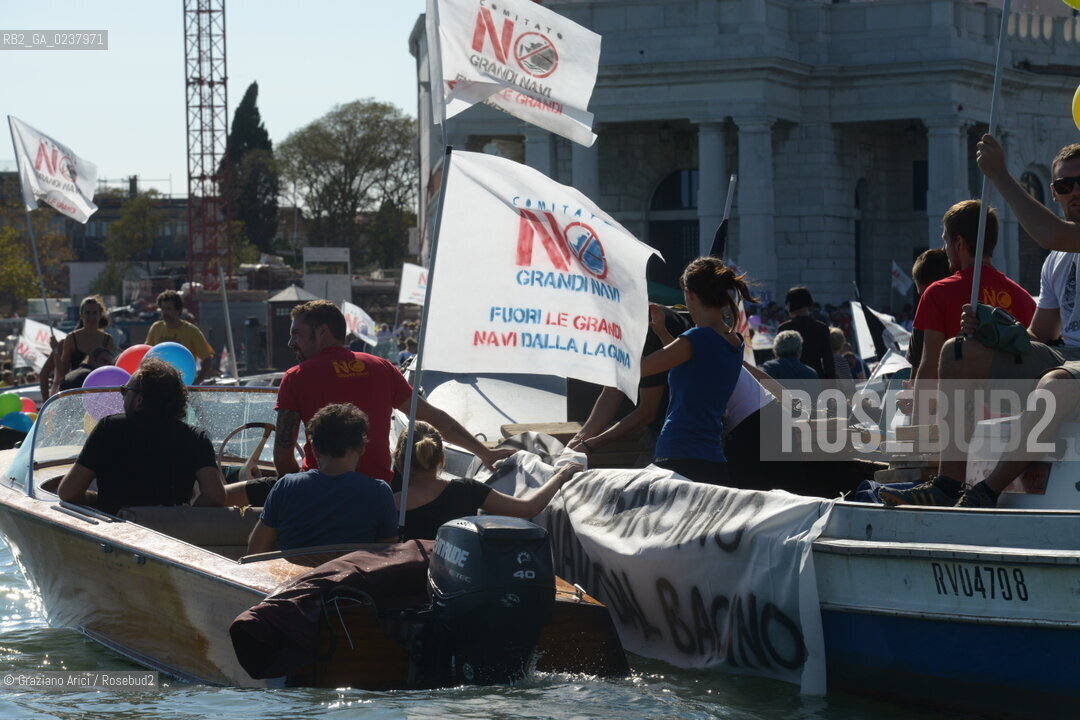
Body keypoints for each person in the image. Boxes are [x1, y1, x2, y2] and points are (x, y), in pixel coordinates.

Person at [883, 139, 1080, 507]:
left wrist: (1000, 175)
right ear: (1054, 192)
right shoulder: (1056, 261)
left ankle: (986, 491)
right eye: (1065, 186)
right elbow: (1041, 335)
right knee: (957, 351)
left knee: (1056, 383)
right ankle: (947, 482)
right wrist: (997, 330)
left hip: (1069, 371)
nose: (1075, 192)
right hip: (1067, 357)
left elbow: (1052, 233)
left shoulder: (1059, 240)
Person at [227, 300, 512, 506]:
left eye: (296, 334)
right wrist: (482, 452)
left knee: (215, 498)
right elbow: (431, 417)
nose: (291, 342)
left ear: (323, 332)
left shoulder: (295, 377)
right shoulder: (382, 367)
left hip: (317, 487)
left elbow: (282, 458)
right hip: (377, 492)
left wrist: (298, 497)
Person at [908, 201, 1035, 424]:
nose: (945, 248)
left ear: (959, 243)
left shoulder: (937, 293)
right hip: (1017, 423)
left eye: (946, 239)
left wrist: (918, 432)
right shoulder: (1024, 299)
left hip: (958, 423)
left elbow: (929, 369)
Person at [56, 358, 227, 514]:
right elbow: (215, 497)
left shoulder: (109, 428)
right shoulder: (196, 438)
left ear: (139, 400)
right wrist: (184, 516)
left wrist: (97, 500)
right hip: (171, 539)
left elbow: (68, 492)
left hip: (116, 535)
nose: (122, 396)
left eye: (125, 391)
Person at [640, 257, 752, 485]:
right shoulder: (735, 341)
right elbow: (691, 361)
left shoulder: (697, 339)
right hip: (713, 459)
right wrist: (662, 333)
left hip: (679, 454)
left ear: (690, 294)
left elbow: (640, 369)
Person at [246, 403, 398, 554]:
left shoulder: (286, 487)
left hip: (296, 577)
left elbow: (255, 551)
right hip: (351, 578)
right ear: (361, 448)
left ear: (314, 449)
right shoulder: (379, 493)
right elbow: (386, 557)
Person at [397, 422, 583, 540]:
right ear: (441, 458)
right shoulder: (466, 490)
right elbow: (529, 507)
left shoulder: (388, 501)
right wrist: (560, 476)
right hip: (459, 584)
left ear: (398, 458)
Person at [567, 305, 692, 459]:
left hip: (679, 439)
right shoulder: (623, 323)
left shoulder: (649, 327)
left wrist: (590, 445)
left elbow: (647, 411)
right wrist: (578, 440)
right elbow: (614, 390)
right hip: (662, 432)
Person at [146, 289, 215, 384]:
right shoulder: (156, 328)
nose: (165, 312)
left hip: (184, 383)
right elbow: (146, 353)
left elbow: (207, 359)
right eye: (163, 309)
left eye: (169, 309)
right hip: (159, 383)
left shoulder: (191, 331)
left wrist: (197, 382)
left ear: (178, 310)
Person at [52, 295, 115, 396]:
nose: (91, 317)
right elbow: (62, 372)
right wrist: (55, 350)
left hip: (98, 392)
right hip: (75, 390)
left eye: (95, 313)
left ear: (100, 315)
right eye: (87, 313)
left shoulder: (107, 340)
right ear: (81, 315)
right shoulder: (71, 338)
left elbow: (109, 370)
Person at [906, 248, 952, 377]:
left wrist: (910, 392)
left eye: (923, 297)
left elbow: (916, 376)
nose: (924, 302)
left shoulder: (926, 312)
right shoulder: (973, 304)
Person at [778, 287, 833, 379]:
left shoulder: (784, 328)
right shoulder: (822, 328)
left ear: (791, 304)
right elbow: (828, 361)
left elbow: (779, 359)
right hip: (817, 378)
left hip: (791, 380)